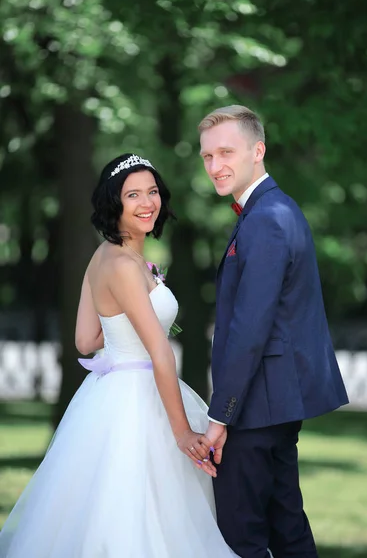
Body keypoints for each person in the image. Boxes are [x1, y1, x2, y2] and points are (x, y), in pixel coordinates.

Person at [0, 154, 238, 558]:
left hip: (111, 392)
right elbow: (160, 353)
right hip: (139, 402)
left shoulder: (105, 257)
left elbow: (85, 339)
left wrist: (125, 330)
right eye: (133, 195)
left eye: (152, 192)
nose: (148, 202)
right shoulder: (124, 265)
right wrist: (182, 433)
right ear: (114, 203)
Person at [198, 105, 349, 558]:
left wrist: (221, 414)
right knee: (286, 528)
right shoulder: (275, 210)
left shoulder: (266, 218)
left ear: (258, 150)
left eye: (226, 152)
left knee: (240, 534)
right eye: (207, 157)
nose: (215, 166)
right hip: (275, 402)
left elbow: (250, 327)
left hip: (256, 406)